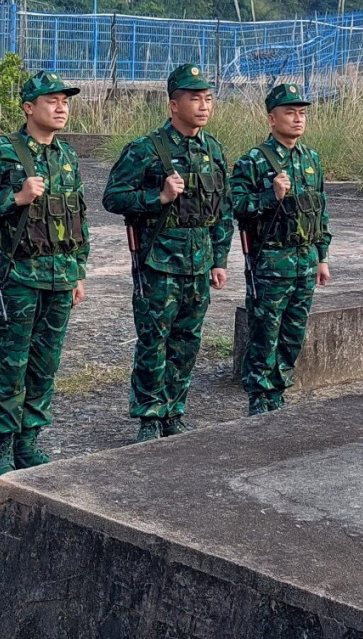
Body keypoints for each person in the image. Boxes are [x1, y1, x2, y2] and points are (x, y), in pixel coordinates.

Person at [0, 71, 90, 481]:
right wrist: (14, 198)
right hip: (17, 277)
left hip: (60, 276)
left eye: (65, 101)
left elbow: (77, 217)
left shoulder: (67, 157)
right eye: (52, 101)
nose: (61, 107)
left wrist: (79, 271)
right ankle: (2, 449)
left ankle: (29, 440)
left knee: (45, 363)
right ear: (29, 107)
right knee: (10, 364)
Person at [103, 64, 233, 443]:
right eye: (195, 98)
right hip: (159, 262)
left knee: (187, 342)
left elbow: (222, 211)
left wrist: (219, 259)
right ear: (173, 104)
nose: (204, 106)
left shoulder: (214, 150)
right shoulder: (146, 150)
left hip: (199, 262)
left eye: (208, 98)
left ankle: (174, 411)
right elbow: (113, 197)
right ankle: (148, 416)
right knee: (153, 341)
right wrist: (156, 197)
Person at [230, 83, 332, 416]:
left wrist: (322, 256)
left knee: (293, 334)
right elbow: (237, 207)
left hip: (304, 262)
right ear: (272, 119)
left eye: (301, 113)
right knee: (264, 334)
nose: (298, 118)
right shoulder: (254, 161)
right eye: (290, 112)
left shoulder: (311, 159)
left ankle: (280, 392)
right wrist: (269, 196)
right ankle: (260, 398)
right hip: (271, 263)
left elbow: (319, 210)